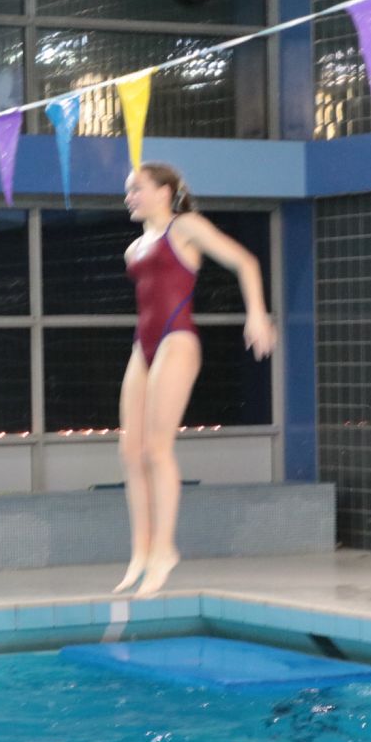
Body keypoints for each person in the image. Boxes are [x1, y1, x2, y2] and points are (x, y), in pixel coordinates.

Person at [114, 163, 277, 596]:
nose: (129, 197)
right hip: (144, 345)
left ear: (164, 192)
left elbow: (244, 261)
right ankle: (141, 551)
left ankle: (164, 549)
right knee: (130, 451)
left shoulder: (185, 227)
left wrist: (257, 314)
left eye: (137, 189)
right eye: (128, 191)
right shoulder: (134, 248)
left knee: (156, 449)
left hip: (177, 340)